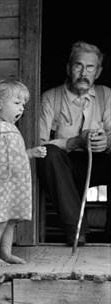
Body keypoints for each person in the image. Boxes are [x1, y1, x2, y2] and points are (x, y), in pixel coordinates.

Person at [38, 41, 111, 246]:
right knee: (48, 153)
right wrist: (74, 142)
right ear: (69, 68)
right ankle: (76, 232)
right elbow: (39, 144)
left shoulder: (107, 96)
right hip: (65, 167)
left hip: (99, 163)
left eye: (90, 67)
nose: (83, 73)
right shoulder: (50, 99)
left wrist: (106, 142)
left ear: (98, 72)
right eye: (78, 66)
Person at [0, 79, 47, 266]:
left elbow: (16, 156)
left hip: (13, 185)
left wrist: (31, 153)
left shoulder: (13, 129)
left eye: (23, 104)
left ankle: (5, 253)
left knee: (10, 220)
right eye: (16, 103)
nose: (21, 108)